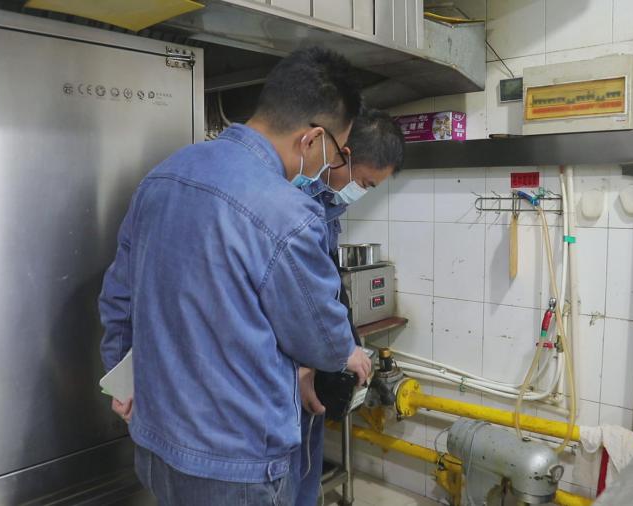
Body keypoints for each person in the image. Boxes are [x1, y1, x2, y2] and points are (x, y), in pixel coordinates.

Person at [98, 47, 373, 505]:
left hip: (156, 442)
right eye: (334, 154)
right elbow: (323, 343)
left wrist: (124, 386)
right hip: (236, 465)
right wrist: (348, 349)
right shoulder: (288, 212)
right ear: (311, 139)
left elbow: (119, 299)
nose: (329, 167)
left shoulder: (163, 176)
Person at [292, 108, 405, 506]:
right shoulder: (294, 204)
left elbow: (326, 285)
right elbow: (301, 293)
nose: (361, 192)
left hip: (309, 364)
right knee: (290, 475)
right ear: (343, 154)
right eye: (364, 183)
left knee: (304, 470)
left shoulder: (327, 204)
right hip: (286, 372)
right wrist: (333, 352)